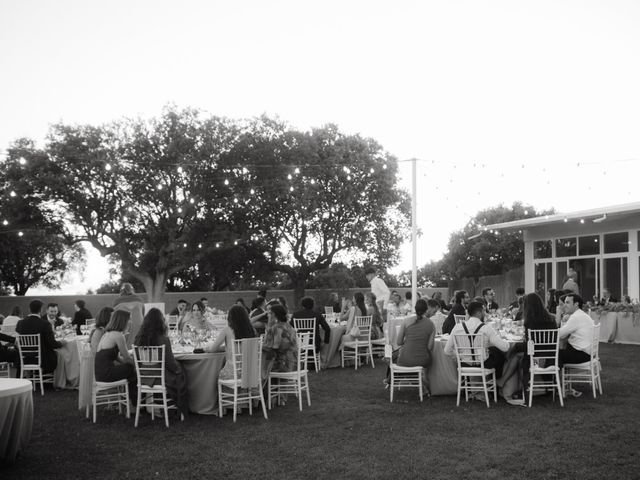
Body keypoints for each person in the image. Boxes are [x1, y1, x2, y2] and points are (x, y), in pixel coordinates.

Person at [134, 308, 189, 416]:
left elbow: (137, 361)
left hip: (143, 377)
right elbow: (170, 364)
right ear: (161, 322)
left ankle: (159, 405)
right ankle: (178, 408)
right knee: (181, 370)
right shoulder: (163, 339)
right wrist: (179, 368)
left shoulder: (138, 339)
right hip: (160, 377)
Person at [444, 301, 509, 378]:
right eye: (484, 311)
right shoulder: (486, 328)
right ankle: (498, 383)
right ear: (479, 312)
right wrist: (504, 339)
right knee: (499, 353)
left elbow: (447, 350)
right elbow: (505, 348)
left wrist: (459, 356)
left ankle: (466, 387)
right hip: (484, 364)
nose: (485, 314)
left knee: (493, 351)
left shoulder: (457, 327)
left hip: (464, 364)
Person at [203, 305, 256, 380]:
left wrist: (205, 349)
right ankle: (241, 390)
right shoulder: (252, 330)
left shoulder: (227, 330)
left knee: (213, 376)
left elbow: (212, 349)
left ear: (230, 317)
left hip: (233, 373)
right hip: (249, 372)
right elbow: (236, 347)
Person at [94, 310, 137, 405]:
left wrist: (132, 365)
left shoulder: (107, 334)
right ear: (123, 321)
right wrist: (138, 365)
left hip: (99, 373)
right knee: (133, 371)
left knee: (131, 369)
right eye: (128, 319)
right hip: (107, 373)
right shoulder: (118, 335)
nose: (130, 322)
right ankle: (134, 404)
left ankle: (131, 401)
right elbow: (127, 358)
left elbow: (117, 358)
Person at [16, 299, 64, 374]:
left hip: (24, 358)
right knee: (60, 355)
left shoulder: (20, 323)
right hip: (43, 359)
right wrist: (62, 343)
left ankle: (33, 375)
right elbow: (52, 344)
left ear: (29, 309)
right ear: (41, 310)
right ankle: (56, 380)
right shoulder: (45, 324)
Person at [396, 299, 438, 370]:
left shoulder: (406, 321)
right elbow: (430, 347)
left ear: (415, 309)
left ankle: (392, 379)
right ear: (426, 310)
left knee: (394, 355)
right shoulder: (431, 324)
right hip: (422, 360)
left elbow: (399, 342)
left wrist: (408, 342)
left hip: (405, 359)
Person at [558, 294, 595, 367]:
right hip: (588, 353)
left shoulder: (575, 317)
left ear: (576, 304)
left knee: (554, 354)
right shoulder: (581, 315)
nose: (564, 305)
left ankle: (550, 377)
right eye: (565, 302)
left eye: (567, 302)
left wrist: (559, 316)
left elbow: (560, 335)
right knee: (559, 352)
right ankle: (556, 377)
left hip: (582, 354)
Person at [263, 304, 298, 373]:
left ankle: (262, 382)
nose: (268, 315)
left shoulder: (277, 328)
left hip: (284, 364)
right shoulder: (289, 326)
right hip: (295, 362)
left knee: (258, 362)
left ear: (274, 315)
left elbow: (275, 346)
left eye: (270, 313)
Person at [113, 283, 144, 348]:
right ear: (132, 290)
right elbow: (143, 313)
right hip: (138, 326)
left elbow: (114, 317)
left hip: (123, 325)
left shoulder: (117, 301)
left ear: (121, 291)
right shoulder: (139, 300)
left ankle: (123, 353)